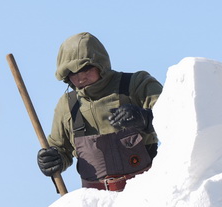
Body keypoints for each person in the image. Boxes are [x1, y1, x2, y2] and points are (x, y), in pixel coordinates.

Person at [36, 32, 163, 191]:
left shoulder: (136, 85)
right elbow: (60, 149)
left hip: (146, 192)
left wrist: (146, 118)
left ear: (100, 64)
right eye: (72, 73)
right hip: (98, 203)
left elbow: (178, 115)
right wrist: (53, 160)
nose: (80, 78)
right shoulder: (67, 105)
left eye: (86, 68)